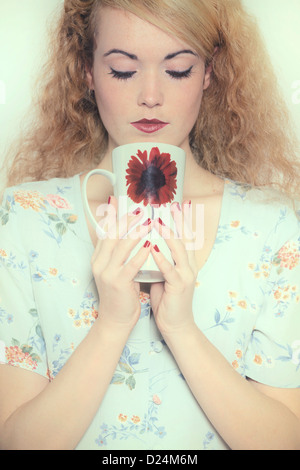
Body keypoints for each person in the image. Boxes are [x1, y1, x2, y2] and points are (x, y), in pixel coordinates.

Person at [0, 0, 300, 451]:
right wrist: (111, 325)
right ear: (87, 71)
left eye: (178, 69)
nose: (151, 96)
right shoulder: (24, 216)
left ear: (209, 74)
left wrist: (180, 330)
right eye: (123, 70)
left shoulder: (271, 225)